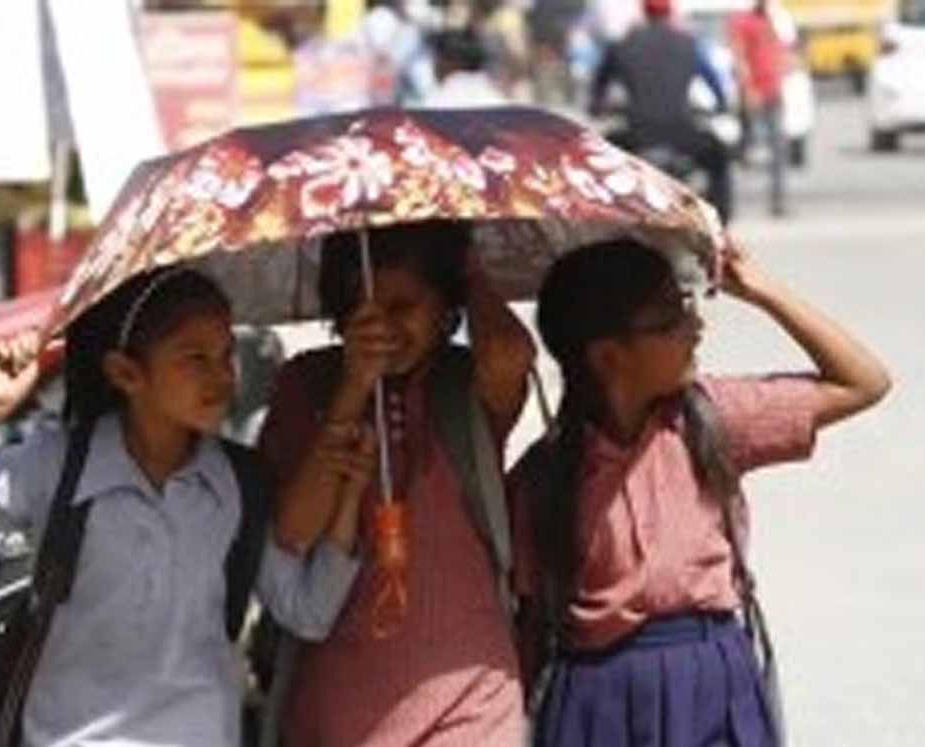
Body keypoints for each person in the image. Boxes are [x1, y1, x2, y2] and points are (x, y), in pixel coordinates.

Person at [0, 267, 368, 747]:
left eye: (227, 354)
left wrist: (350, 498)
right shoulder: (59, 466)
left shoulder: (237, 483)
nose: (223, 377)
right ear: (126, 373)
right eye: (195, 358)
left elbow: (308, 611)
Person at [511, 237, 890, 746]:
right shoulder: (546, 476)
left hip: (713, 679)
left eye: (688, 307)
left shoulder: (711, 418)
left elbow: (863, 383)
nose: (696, 328)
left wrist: (764, 291)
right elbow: (529, 624)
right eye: (670, 319)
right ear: (608, 356)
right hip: (597, 700)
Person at [258, 220, 535, 745]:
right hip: (343, 703)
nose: (383, 325)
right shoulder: (307, 383)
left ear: (444, 308)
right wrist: (353, 387)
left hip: (472, 690)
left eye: (404, 306)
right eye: (363, 308)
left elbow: (511, 352)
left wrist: (468, 268)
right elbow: (293, 532)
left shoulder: (463, 381)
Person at [589, 0, 734, 224]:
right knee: (719, 157)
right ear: (671, 13)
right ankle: (720, 222)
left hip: (637, 135)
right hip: (683, 134)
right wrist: (722, 105)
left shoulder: (623, 44)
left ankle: (601, 219)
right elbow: (713, 81)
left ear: (644, 12)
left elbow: (600, 84)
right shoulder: (689, 44)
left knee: (599, 161)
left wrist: (596, 106)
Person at [729, 0, 790, 217]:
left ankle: (778, 201)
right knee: (744, 151)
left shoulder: (770, 20)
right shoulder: (742, 21)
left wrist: (781, 79)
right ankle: (732, 203)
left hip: (773, 91)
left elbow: (780, 52)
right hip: (755, 93)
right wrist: (748, 89)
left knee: (778, 149)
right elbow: (739, 57)